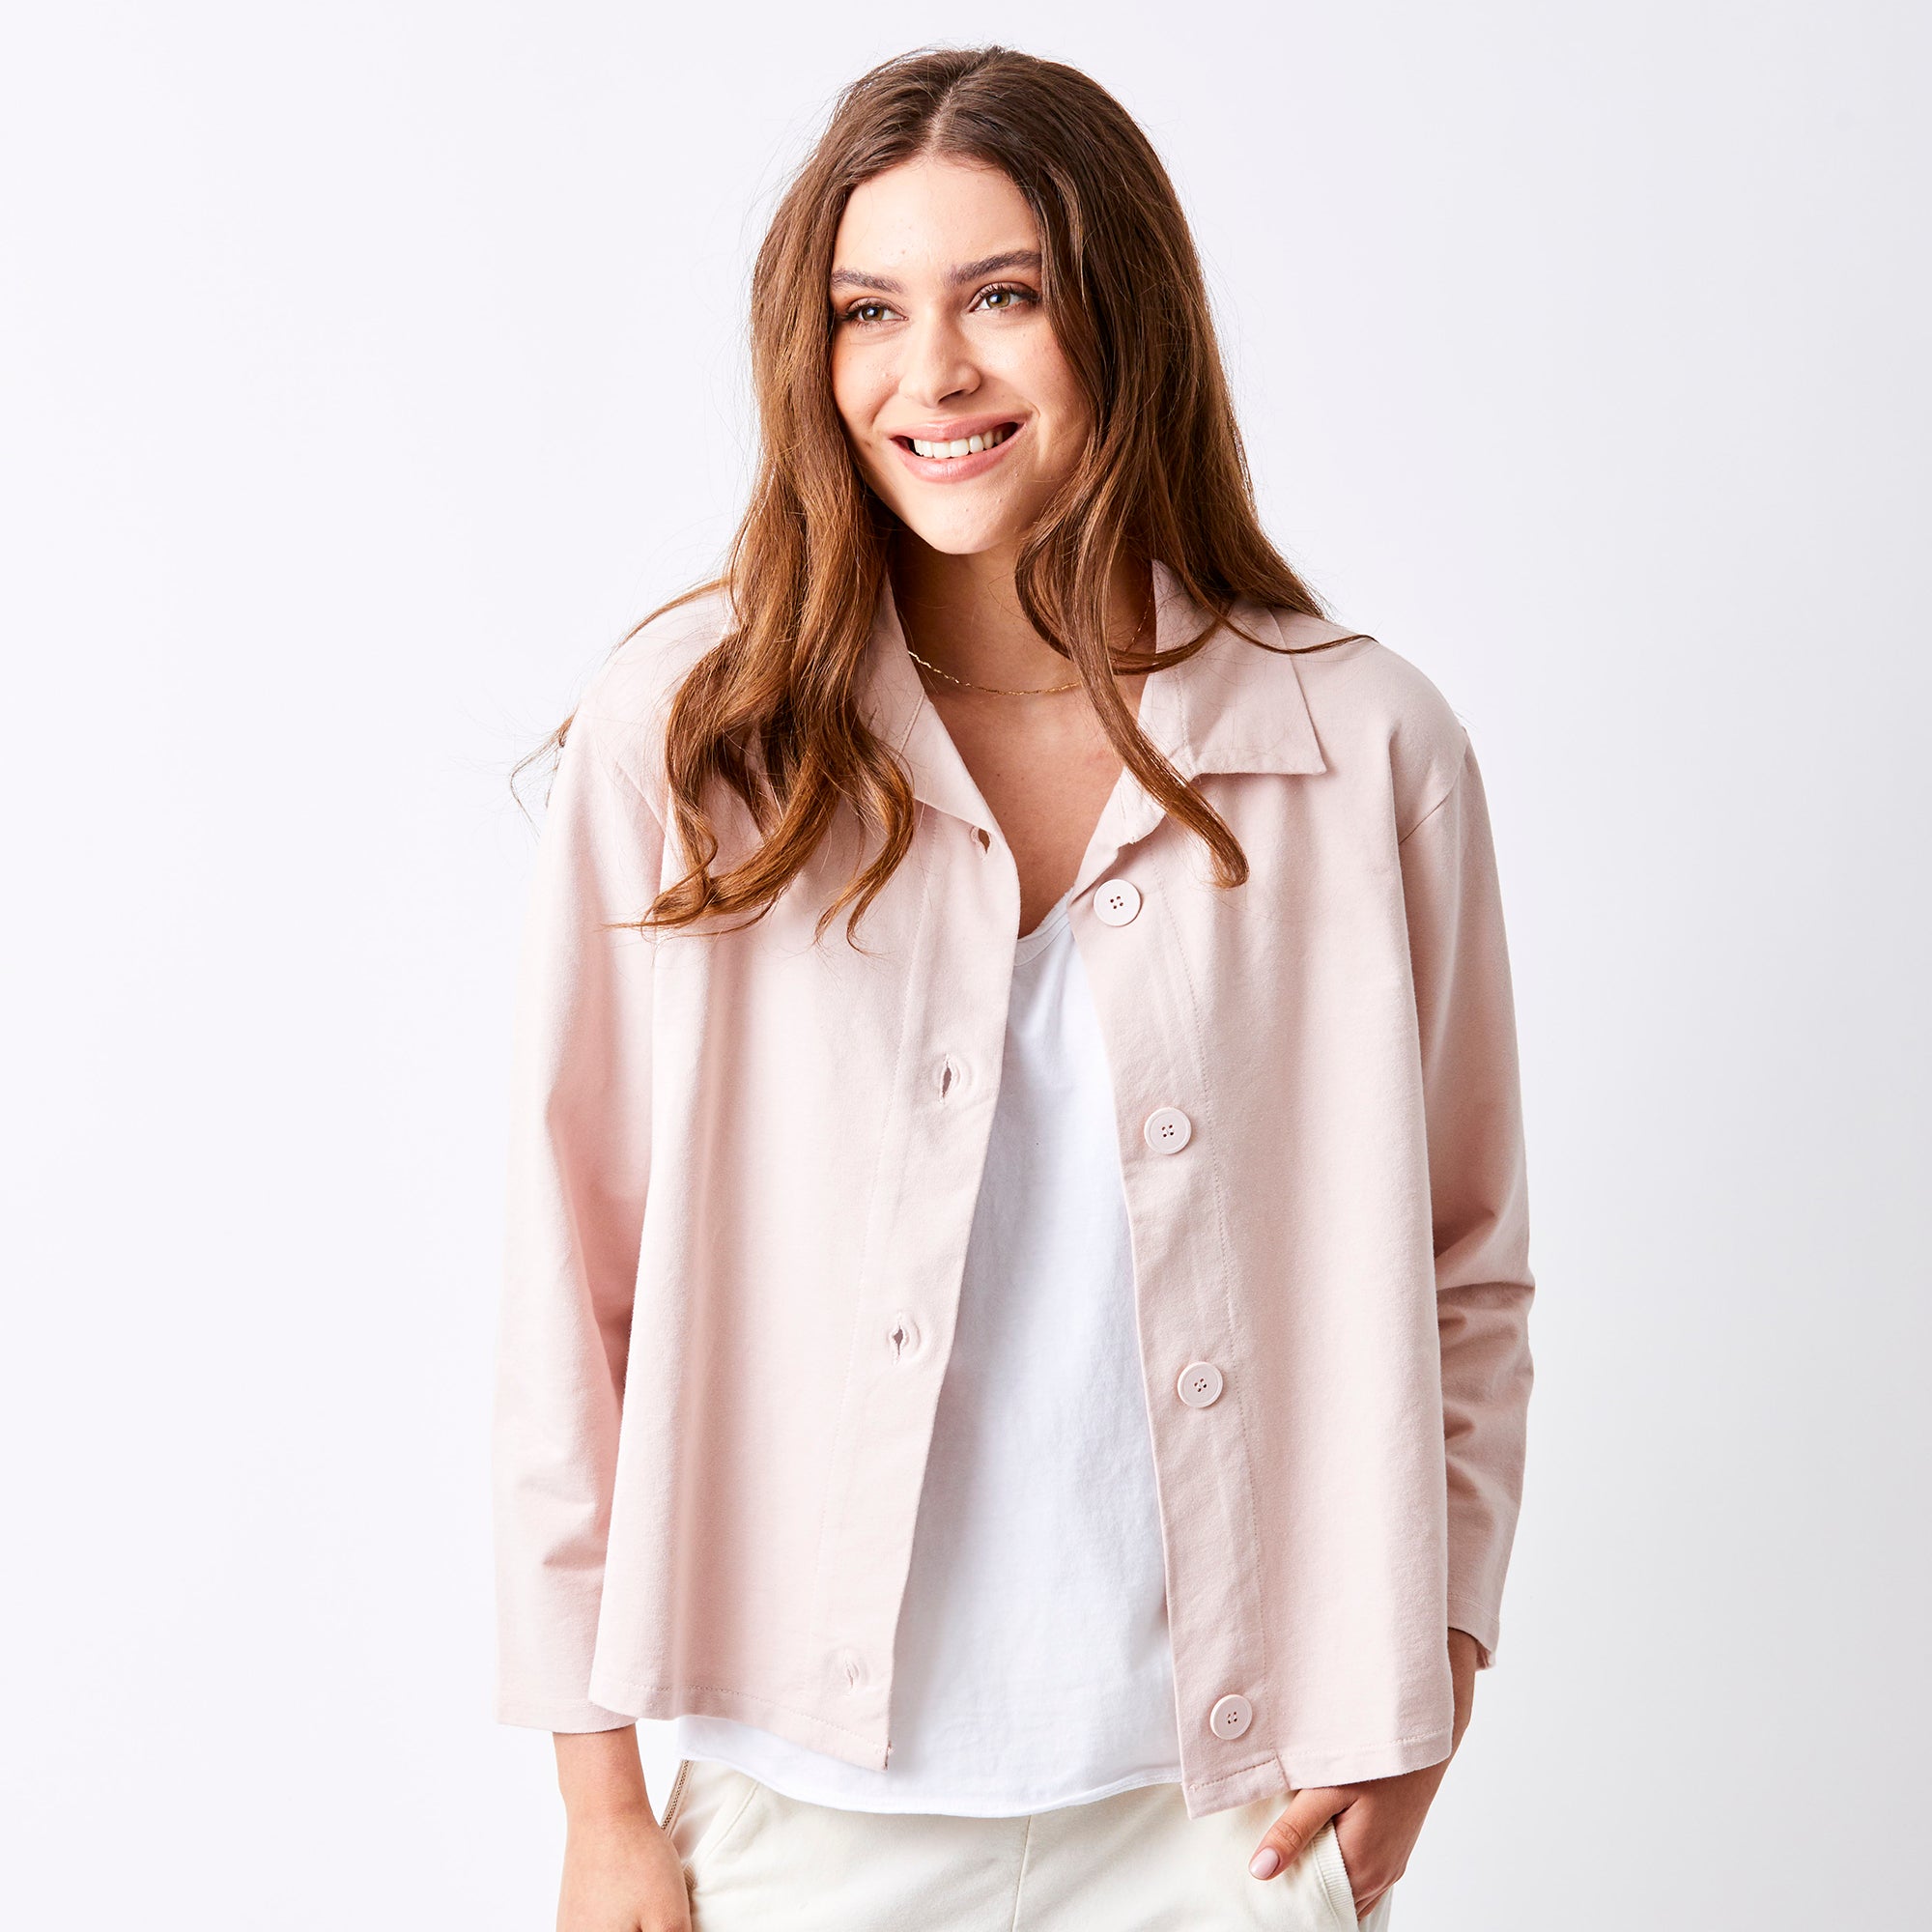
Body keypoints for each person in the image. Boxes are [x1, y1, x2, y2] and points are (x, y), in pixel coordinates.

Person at [493, 43, 1535, 1932]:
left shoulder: (1363, 747)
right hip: (797, 1800)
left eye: (1002, 296)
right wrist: (601, 1804)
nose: (932, 373)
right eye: (868, 311)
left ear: (1123, 316)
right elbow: (576, 1284)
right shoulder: (695, 740)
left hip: (1223, 1812)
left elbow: (1466, 1261)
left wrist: (1435, 1673)